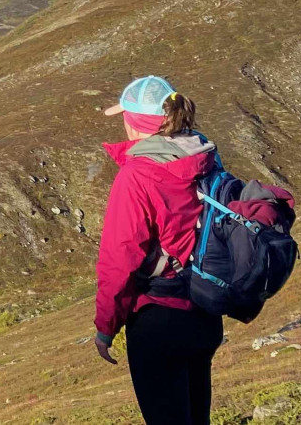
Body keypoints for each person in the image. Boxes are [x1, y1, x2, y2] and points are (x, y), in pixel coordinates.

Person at [92, 75, 224, 425]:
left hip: (159, 318)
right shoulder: (204, 156)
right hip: (205, 312)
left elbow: (120, 259)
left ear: (135, 122)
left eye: (125, 115)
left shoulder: (136, 176)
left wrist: (106, 327)